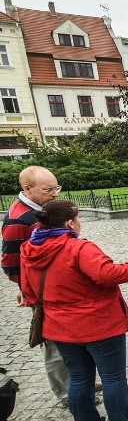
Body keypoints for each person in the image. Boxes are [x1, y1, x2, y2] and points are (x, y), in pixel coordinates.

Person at [19, 200, 128, 421]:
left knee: (78, 378)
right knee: (113, 377)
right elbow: (105, 273)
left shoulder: (29, 251)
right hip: (98, 324)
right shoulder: (77, 248)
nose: (80, 223)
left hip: (59, 328)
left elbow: (28, 291)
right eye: (78, 219)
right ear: (69, 223)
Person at [1, 166, 68, 405]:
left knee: (68, 339)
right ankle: (66, 393)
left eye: (56, 187)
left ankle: (79, 382)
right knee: (54, 344)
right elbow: (9, 263)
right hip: (43, 293)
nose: (55, 194)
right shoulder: (19, 218)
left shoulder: (39, 210)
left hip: (56, 288)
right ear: (27, 189)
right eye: (48, 189)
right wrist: (26, 288)